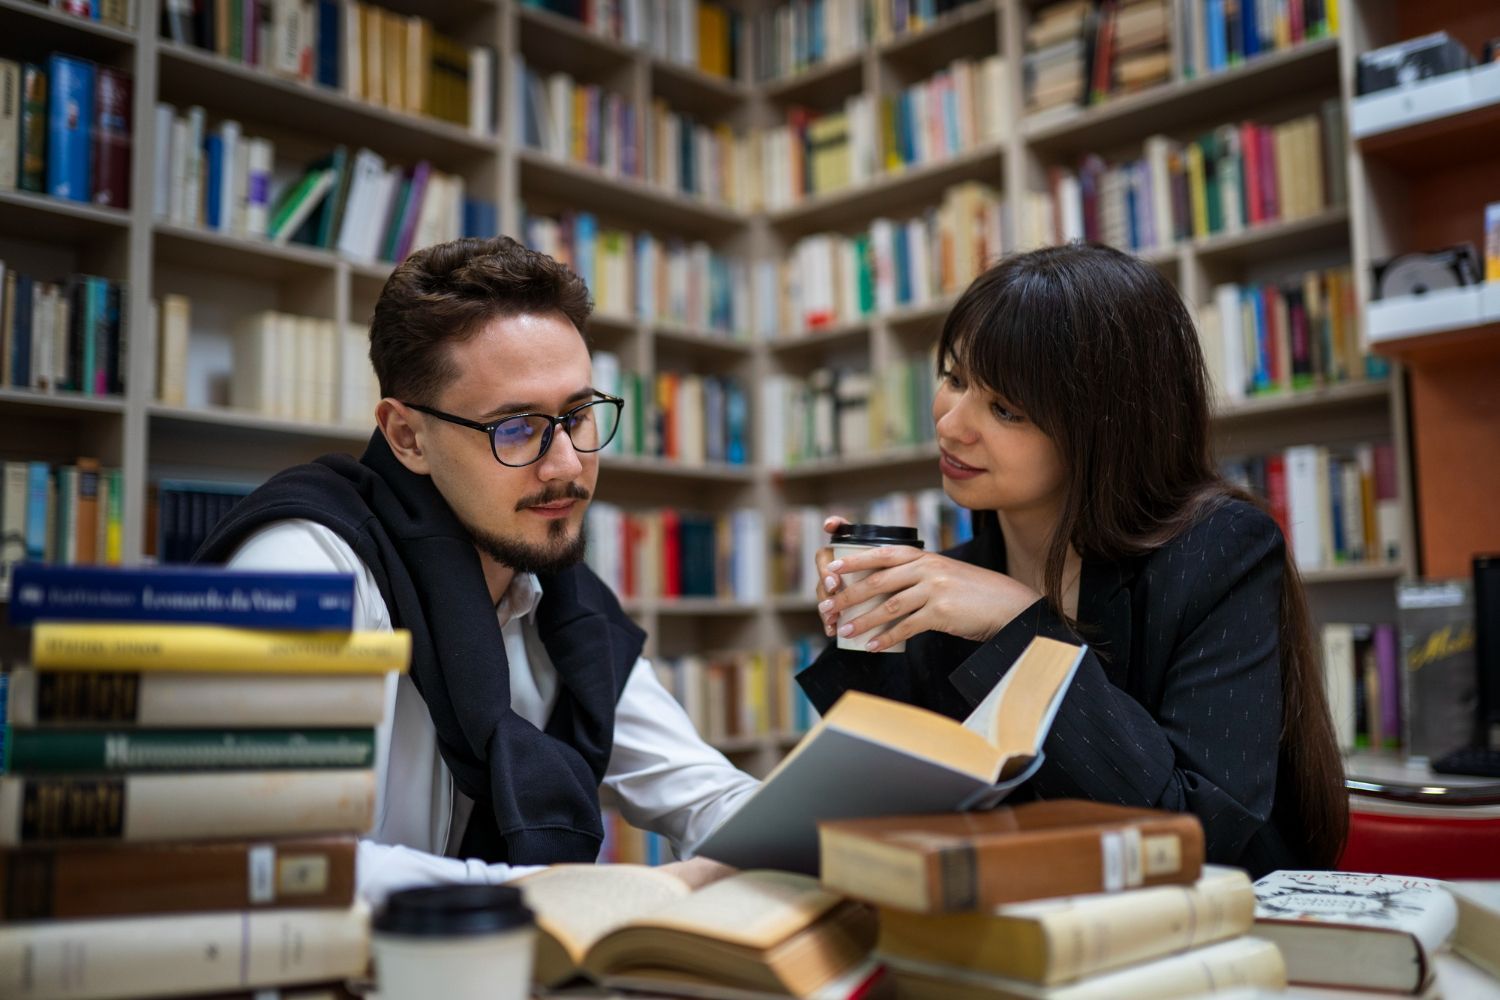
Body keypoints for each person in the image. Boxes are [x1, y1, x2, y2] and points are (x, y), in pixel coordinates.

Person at [196, 236, 757, 901]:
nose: (567, 464)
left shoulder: (564, 600)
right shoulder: (309, 566)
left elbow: (705, 794)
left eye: (577, 416)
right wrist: (578, 898)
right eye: (516, 426)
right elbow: (285, 861)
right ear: (406, 436)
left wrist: (798, 837)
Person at [805, 243, 1348, 876]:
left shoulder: (1219, 550)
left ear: (1104, 428)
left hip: (1205, 927)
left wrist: (1023, 628)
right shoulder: (953, 579)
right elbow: (893, 809)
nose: (951, 424)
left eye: (1004, 408)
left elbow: (1192, 831)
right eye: (953, 378)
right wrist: (863, 627)